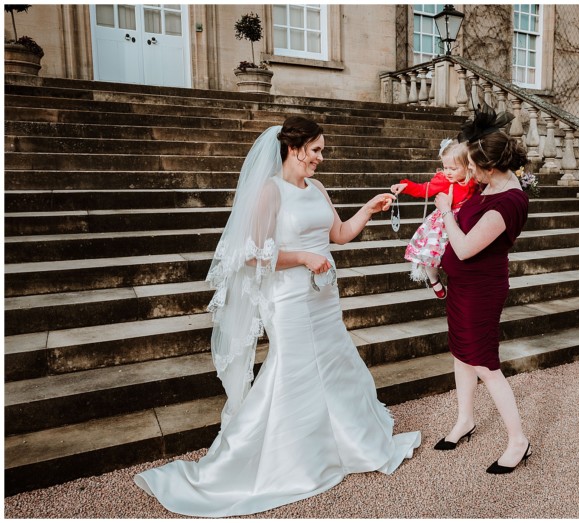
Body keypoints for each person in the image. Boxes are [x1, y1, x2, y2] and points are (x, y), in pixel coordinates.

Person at [134, 116, 421, 517]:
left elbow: (337, 234)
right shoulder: (270, 192)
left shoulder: (317, 188)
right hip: (288, 300)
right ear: (293, 147)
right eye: (316, 150)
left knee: (335, 362)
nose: (321, 158)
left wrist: (369, 209)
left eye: (322, 150)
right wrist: (303, 257)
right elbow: (250, 253)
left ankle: (344, 444)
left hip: (323, 297)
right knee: (293, 370)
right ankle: (286, 459)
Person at [433, 105, 532, 474]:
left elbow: (464, 247)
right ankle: (465, 420)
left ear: (490, 167)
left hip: (482, 291)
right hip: (461, 287)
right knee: (461, 355)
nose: (469, 171)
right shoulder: (489, 185)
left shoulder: (508, 201)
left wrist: (444, 211)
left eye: (474, 165)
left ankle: (518, 441)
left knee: (486, 364)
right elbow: (458, 176)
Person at [390, 139, 476, 299]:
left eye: (454, 168)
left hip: (463, 223)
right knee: (429, 252)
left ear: (467, 166)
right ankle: (433, 279)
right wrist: (406, 186)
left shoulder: (472, 183)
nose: (448, 172)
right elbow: (424, 189)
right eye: (445, 167)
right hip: (441, 224)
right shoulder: (443, 181)